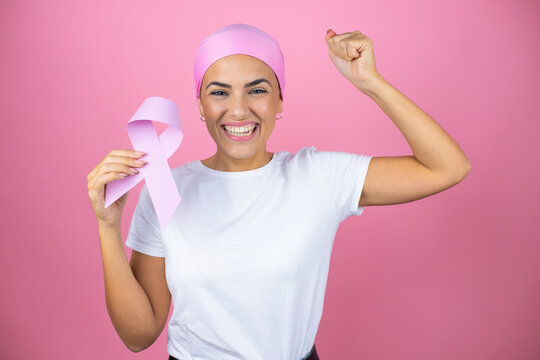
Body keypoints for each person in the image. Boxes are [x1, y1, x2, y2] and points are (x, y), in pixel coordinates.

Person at [87, 23, 471, 360]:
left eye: (257, 90)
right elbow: (138, 337)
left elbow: (447, 167)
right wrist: (108, 225)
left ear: (280, 101)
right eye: (219, 93)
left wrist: (370, 82)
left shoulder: (318, 177)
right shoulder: (166, 189)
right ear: (200, 106)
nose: (238, 110)